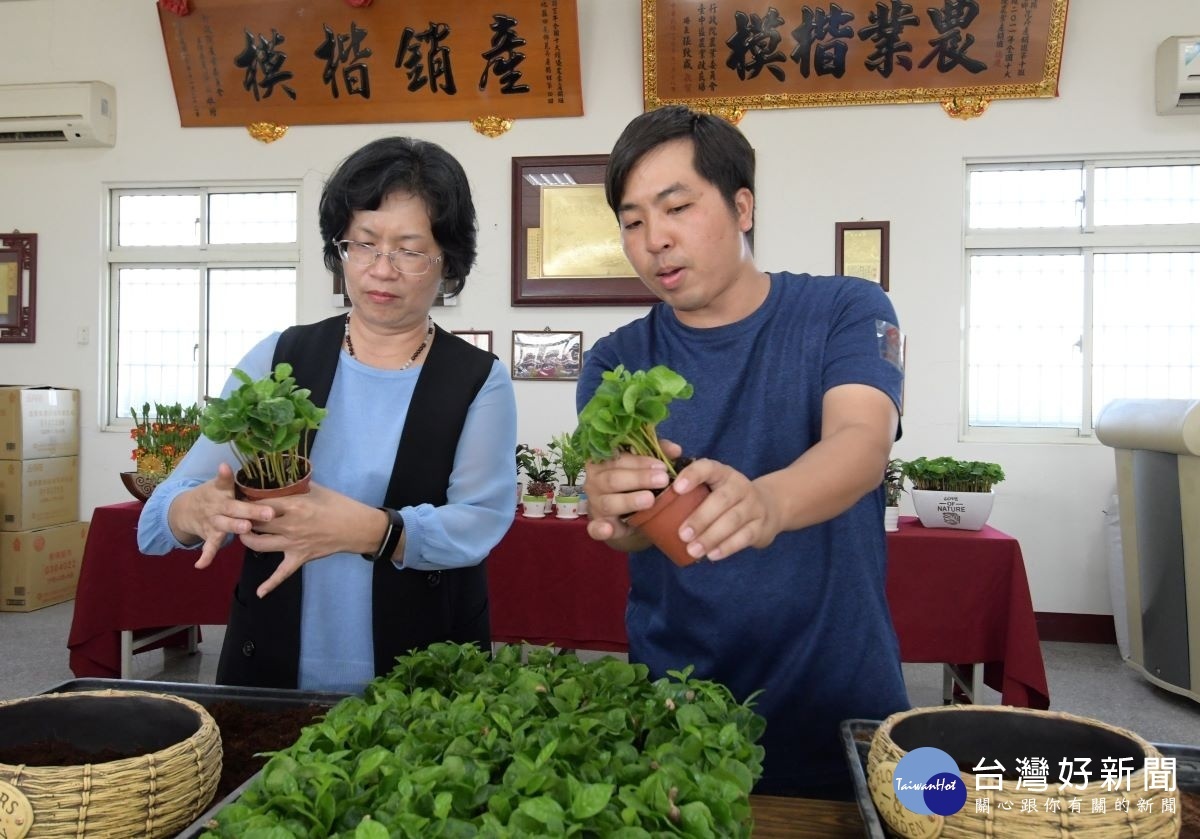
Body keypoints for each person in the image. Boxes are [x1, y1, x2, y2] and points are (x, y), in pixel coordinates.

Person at [577, 105, 909, 798]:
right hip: (678, 705)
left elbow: (861, 441)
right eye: (633, 222)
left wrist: (768, 501)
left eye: (676, 208)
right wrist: (617, 514)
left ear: (742, 205)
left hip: (835, 691)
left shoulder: (845, 309)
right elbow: (632, 536)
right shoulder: (616, 360)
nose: (655, 241)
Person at [139, 137, 517, 693]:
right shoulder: (279, 358)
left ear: (448, 261)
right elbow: (156, 523)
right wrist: (196, 510)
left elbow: (479, 523)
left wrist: (365, 530)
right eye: (362, 245)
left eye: (409, 250)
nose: (381, 269)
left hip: (425, 674)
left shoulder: (477, 380)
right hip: (269, 664)